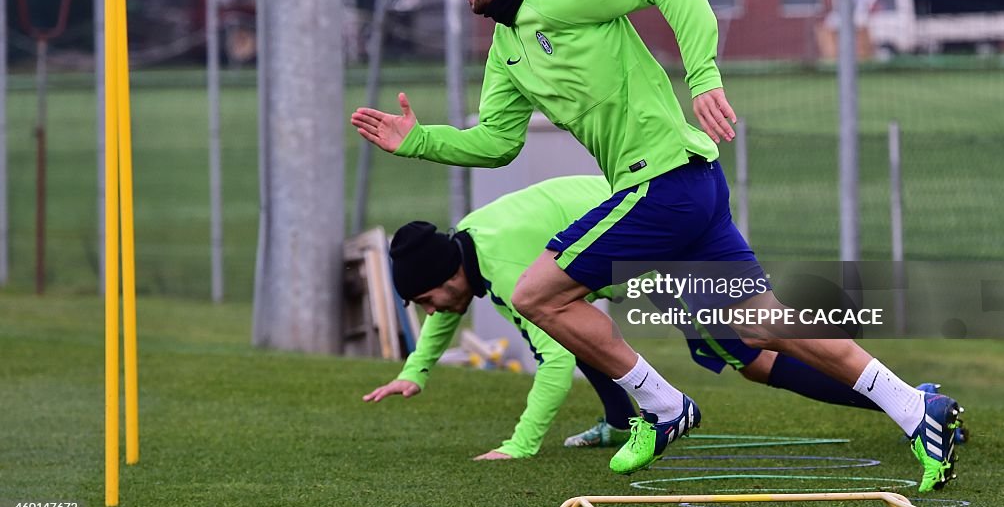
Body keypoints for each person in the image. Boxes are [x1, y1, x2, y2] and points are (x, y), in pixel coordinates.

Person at [350, 0, 963, 491]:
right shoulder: (506, 51)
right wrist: (420, 140)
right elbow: (496, 142)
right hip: (687, 187)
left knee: (537, 293)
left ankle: (665, 406)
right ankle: (917, 410)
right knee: (759, 331)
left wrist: (703, 77)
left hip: (664, 183)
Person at [363, 176, 964, 459]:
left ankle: (914, 404)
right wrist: (416, 372)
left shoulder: (501, 265)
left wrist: (520, 447)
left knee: (754, 352)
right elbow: (449, 310)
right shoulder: (466, 249)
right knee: (578, 320)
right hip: (641, 235)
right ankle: (624, 421)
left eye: (426, 301)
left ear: (447, 280)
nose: (431, 313)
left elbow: (554, 361)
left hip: (655, 236)